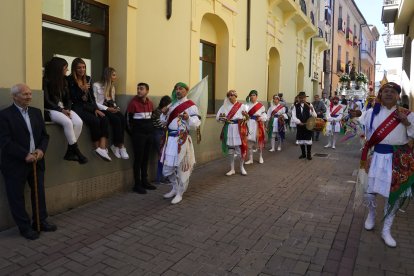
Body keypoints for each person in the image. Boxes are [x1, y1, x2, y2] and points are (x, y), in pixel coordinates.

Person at [360, 82, 414, 248]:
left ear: (398, 96)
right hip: (375, 157)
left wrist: (407, 124)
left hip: (397, 158)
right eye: (385, 91)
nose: (389, 94)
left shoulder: (408, 114)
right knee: (369, 192)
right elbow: (361, 131)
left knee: (393, 196)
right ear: (380, 95)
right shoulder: (371, 112)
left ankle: (386, 230)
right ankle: (371, 214)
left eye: (392, 92)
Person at [0, 84, 57, 240]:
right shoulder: (5, 115)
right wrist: (24, 154)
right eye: (25, 94)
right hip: (15, 163)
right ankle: (24, 227)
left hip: (37, 160)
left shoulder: (36, 112)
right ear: (15, 97)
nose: (29, 97)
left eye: (30, 94)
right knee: (16, 196)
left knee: (38, 192)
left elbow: (45, 136)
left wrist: (41, 150)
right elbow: (5, 142)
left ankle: (40, 221)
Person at [160, 82, 201, 204]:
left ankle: (180, 193)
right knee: (166, 170)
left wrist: (188, 118)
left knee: (182, 169)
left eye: (180, 89)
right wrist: (163, 113)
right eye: (176, 89)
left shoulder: (191, 106)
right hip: (170, 140)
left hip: (182, 140)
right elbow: (163, 122)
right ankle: (175, 188)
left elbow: (196, 124)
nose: (178, 91)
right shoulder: (171, 105)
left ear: (186, 90)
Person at [43, 57, 88, 164]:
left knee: (78, 122)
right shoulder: (45, 80)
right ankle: (76, 151)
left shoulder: (64, 81)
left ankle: (69, 152)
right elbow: (46, 100)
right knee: (68, 122)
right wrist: (61, 110)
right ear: (58, 69)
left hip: (64, 109)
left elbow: (68, 98)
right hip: (51, 109)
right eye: (65, 68)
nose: (67, 71)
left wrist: (67, 109)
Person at [67, 58, 111, 161]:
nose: (82, 70)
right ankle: (96, 147)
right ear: (74, 69)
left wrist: (95, 109)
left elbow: (92, 97)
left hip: (88, 106)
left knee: (104, 117)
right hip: (76, 107)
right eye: (79, 68)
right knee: (94, 120)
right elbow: (71, 97)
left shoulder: (88, 78)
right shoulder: (69, 80)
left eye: (83, 67)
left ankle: (102, 147)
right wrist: (81, 89)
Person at [127, 83, 157, 194]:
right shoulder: (133, 103)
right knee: (138, 160)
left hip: (149, 135)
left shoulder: (150, 103)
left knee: (146, 159)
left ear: (147, 91)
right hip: (138, 136)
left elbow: (152, 118)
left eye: (141, 89)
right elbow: (128, 121)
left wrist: (151, 131)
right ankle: (137, 184)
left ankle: (145, 181)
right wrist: (134, 133)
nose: (139, 91)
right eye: (138, 89)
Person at [93, 67, 129, 159]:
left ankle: (117, 145)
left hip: (110, 108)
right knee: (116, 120)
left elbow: (112, 100)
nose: (115, 77)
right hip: (101, 109)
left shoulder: (112, 87)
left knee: (122, 118)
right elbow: (94, 102)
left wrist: (115, 107)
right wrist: (108, 109)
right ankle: (119, 146)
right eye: (113, 75)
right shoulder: (96, 85)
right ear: (108, 75)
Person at [216, 90, 248, 176]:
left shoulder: (242, 106)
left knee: (240, 149)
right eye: (228, 96)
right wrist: (223, 119)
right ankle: (232, 169)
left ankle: (241, 167)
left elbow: (246, 118)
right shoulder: (224, 106)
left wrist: (244, 118)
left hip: (239, 129)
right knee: (230, 150)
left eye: (232, 95)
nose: (230, 97)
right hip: (229, 128)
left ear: (235, 96)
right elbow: (218, 117)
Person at [152, 95, 172, 184]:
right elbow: (162, 125)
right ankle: (160, 178)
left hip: (160, 134)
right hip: (159, 134)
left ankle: (161, 177)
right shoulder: (158, 112)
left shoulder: (158, 111)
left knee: (163, 157)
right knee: (162, 157)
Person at [291, 91, 317, 160]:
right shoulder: (295, 106)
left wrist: (312, 110)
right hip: (300, 126)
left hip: (308, 126)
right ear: (299, 98)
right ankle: (303, 154)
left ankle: (309, 154)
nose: (302, 99)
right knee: (301, 140)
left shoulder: (310, 105)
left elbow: (315, 116)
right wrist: (298, 122)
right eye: (301, 98)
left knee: (308, 141)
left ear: (305, 98)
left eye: (303, 98)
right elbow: (293, 116)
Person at [245, 90, 267, 164]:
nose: (252, 97)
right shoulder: (247, 105)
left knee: (259, 141)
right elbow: (244, 115)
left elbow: (264, 116)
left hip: (257, 125)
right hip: (249, 124)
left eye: (254, 95)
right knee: (249, 142)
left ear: (257, 96)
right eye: (251, 95)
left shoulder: (261, 106)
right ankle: (250, 159)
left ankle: (260, 157)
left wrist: (261, 118)